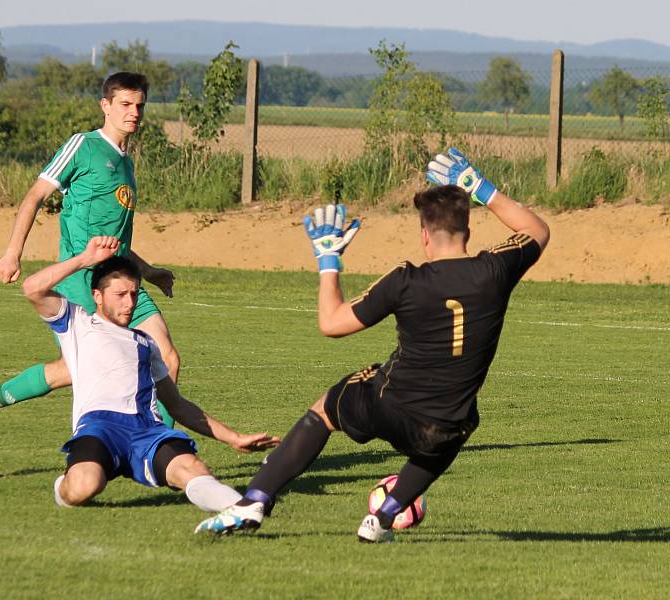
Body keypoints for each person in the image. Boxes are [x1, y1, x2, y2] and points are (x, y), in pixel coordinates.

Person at [195, 148, 550, 542]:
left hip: (390, 406)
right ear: (467, 232)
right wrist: (480, 187)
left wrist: (329, 260)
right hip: (447, 424)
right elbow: (538, 231)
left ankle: (255, 499)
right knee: (452, 430)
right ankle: (384, 516)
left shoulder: (405, 279)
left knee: (327, 407)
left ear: (424, 235)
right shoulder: (495, 271)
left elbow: (332, 324)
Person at [0, 72, 181, 464]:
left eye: (139, 105)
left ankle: (165, 446)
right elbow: (34, 196)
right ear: (105, 105)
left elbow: (115, 242)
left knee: (166, 358)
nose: (134, 113)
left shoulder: (125, 162)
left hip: (123, 282)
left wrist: (151, 272)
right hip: (81, 282)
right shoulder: (84, 146)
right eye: (125, 104)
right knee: (75, 370)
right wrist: (12, 253)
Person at [20, 235, 280, 509]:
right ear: (97, 295)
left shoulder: (146, 344)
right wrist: (85, 259)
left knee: (192, 470)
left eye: (133, 294)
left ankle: (243, 510)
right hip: (100, 428)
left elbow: (177, 405)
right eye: (120, 295)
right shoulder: (77, 323)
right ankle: (64, 487)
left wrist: (234, 438)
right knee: (85, 486)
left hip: (147, 430)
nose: (129, 303)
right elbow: (32, 288)